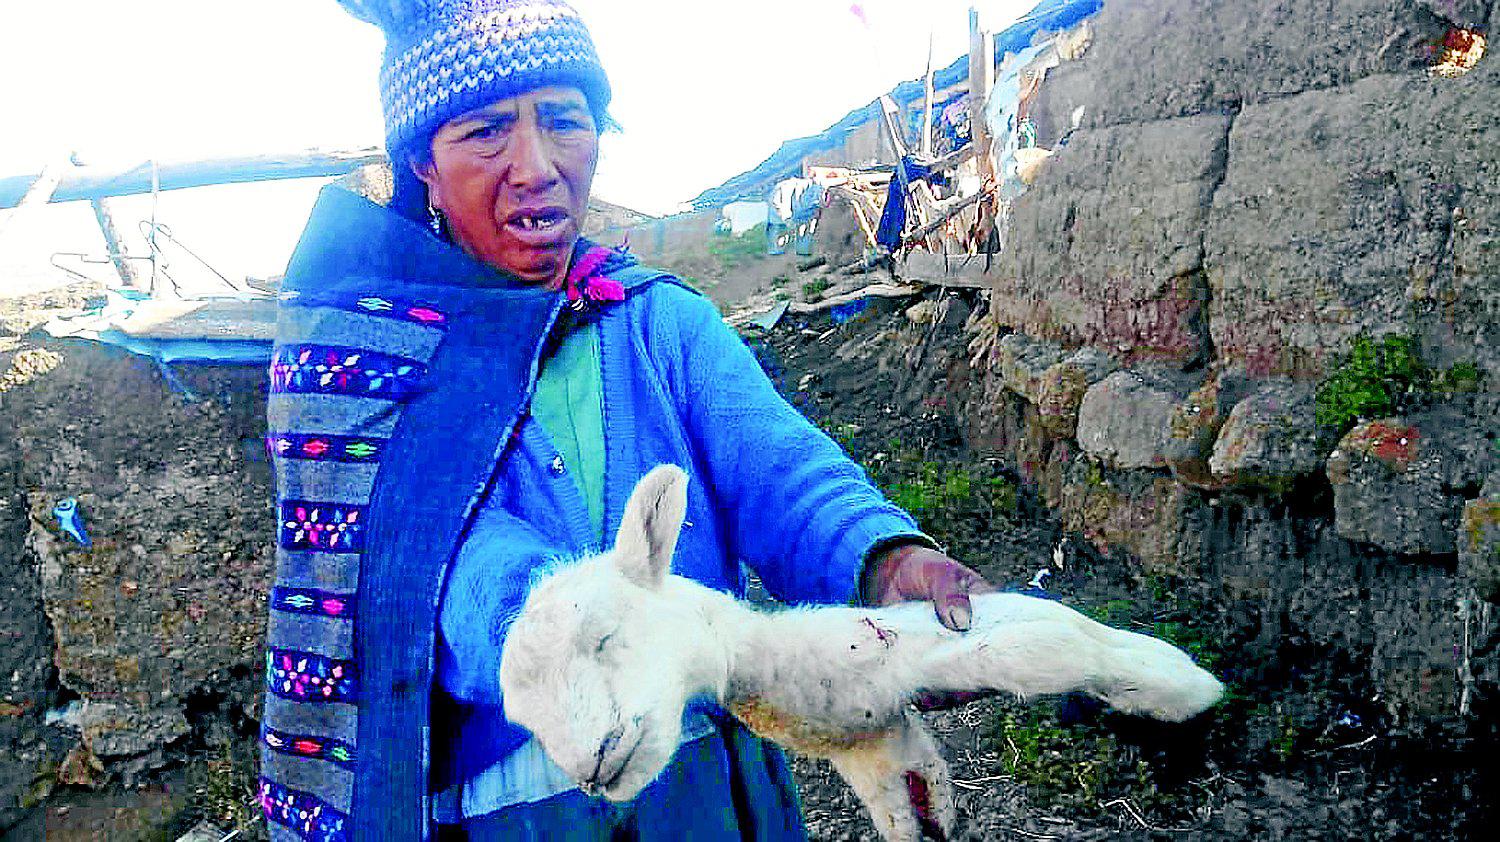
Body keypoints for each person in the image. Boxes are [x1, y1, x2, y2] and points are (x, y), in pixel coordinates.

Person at [258, 2, 994, 840]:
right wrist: (540, 622)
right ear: (424, 162)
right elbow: (430, 559)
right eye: (488, 132)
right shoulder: (366, 363)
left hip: (706, 785)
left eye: (565, 121)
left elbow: (780, 471)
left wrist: (882, 561)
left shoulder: (656, 325)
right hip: (516, 815)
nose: (536, 166)